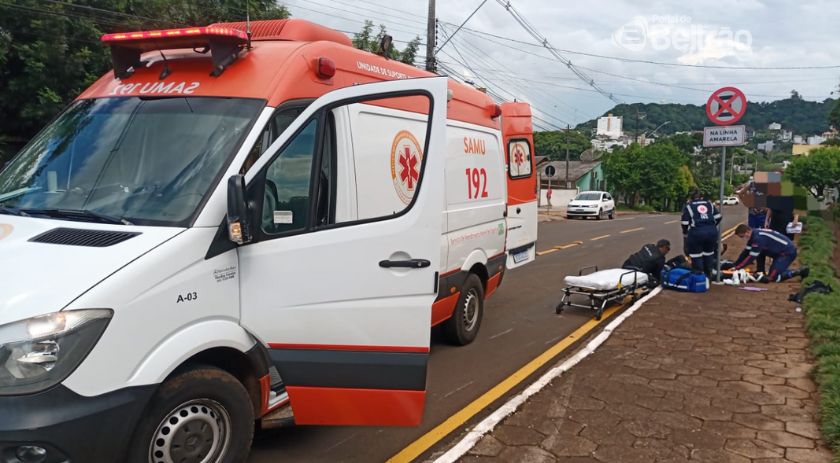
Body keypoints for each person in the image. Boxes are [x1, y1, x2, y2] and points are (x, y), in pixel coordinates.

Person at [732, 224, 809, 283]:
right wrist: (735, 264)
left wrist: (738, 267)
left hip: (787, 252)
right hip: (778, 252)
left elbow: (751, 257)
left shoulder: (758, 238)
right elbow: (746, 252)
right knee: (758, 250)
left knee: (772, 278)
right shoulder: (754, 235)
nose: (743, 238)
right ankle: (761, 270)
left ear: (747, 232)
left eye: (743, 236)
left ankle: (799, 271)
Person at [681, 189, 721, 277]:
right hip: (712, 233)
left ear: (691, 198)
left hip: (697, 233)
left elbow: (684, 223)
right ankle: (708, 275)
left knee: (696, 255)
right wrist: (711, 226)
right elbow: (718, 217)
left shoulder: (689, 206)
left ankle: (699, 276)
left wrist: (685, 233)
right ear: (701, 197)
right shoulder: (709, 204)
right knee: (709, 253)